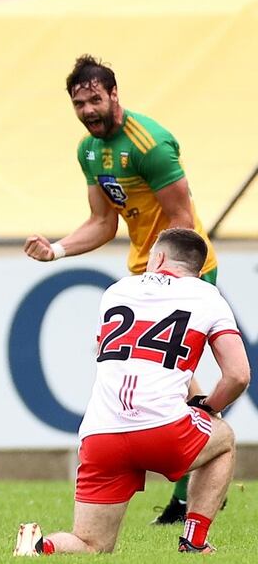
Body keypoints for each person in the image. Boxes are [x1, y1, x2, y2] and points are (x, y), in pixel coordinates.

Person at [24, 55, 219, 523]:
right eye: (79, 103)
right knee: (173, 382)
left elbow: (182, 221)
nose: (88, 110)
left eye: (95, 99)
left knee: (163, 377)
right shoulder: (89, 151)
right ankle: (199, 470)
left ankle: (195, 479)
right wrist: (57, 250)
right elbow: (102, 223)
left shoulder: (149, 144)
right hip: (142, 272)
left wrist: (169, 281)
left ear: (114, 94)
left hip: (185, 270)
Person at [14, 228, 251, 556]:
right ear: (197, 269)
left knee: (91, 544)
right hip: (162, 429)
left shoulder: (116, 291)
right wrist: (209, 407)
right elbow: (238, 375)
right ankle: (194, 542)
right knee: (223, 441)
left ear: (160, 257)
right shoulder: (207, 296)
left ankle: (39, 546)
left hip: (101, 434)